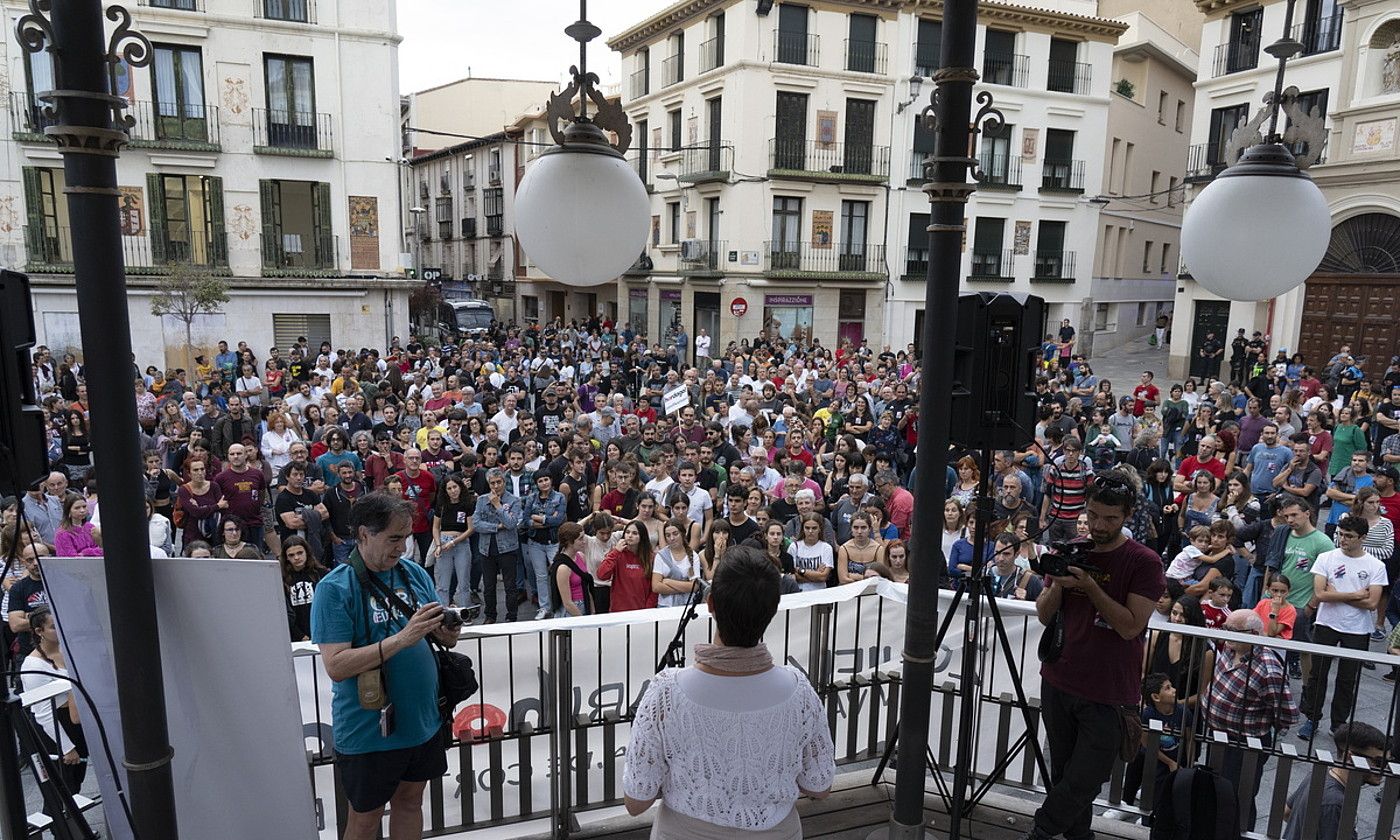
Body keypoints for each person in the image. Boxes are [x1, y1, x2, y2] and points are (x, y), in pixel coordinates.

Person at [622, 546, 835, 836]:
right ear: (773, 609)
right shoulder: (798, 691)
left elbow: (637, 800)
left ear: (710, 604)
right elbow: (819, 786)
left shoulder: (666, 692)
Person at [310, 492, 459, 840]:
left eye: (406, 537)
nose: (402, 547)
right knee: (365, 818)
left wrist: (449, 630)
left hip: (422, 721)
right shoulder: (335, 588)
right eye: (394, 538)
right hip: (369, 731)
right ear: (363, 534)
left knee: (410, 803)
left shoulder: (414, 573)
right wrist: (403, 639)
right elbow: (336, 665)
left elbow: (443, 639)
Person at [1028, 471, 1165, 840]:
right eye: (1093, 515)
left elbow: (1131, 626)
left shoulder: (1144, 561)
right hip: (1060, 679)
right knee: (1066, 778)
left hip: (1108, 692)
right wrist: (1059, 582)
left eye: (1110, 518)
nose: (1099, 525)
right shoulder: (1071, 549)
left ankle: (1039, 833)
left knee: (1081, 781)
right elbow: (1044, 614)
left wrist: (1089, 586)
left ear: (1128, 515)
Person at [1202, 609, 1297, 834]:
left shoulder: (1268, 667)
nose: (1226, 634)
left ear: (1253, 634)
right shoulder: (1231, 647)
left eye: (1232, 630)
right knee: (1215, 790)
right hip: (1219, 736)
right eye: (1225, 628)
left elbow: (1288, 714)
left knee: (1238, 797)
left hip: (1245, 744)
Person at [1298, 514, 1386, 740]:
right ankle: (1312, 718)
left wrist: (1335, 594)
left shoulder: (1375, 565)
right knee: (1318, 674)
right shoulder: (1327, 557)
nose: (1343, 540)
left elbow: (1372, 603)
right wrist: (1355, 594)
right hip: (1327, 623)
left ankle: (1339, 724)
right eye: (1340, 534)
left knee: (1347, 679)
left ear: (1362, 538)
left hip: (1357, 629)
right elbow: (1320, 594)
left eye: (1349, 536)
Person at [19, 606, 89, 820]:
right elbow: (42, 713)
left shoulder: (67, 650)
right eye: (53, 626)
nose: (59, 629)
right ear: (39, 631)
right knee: (60, 790)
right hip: (55, 730)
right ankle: (62, 831)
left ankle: (73, 828)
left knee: (75, 783)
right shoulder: (32, 665)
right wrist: (66, 748)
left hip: (76, 721)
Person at [1282, 721, 1388, 840]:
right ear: (1349, 757)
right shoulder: (1335, 803)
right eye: (1379, 762)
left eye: (1387, 762)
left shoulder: (1318, 776)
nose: (1385, 769)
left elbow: (1287, 813)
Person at [473, 468, 523, 624]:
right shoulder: (481, 500)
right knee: (489, 586)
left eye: (498, 482)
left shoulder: (514, 500)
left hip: (507, 548)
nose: (496, 486)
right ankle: (490, 615)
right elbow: (476, 524)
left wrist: (498, 506)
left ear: (504, 482)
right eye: (492, 483)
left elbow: (511, 523)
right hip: (486, 549)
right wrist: (496, 527)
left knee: (510, 585)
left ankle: (511, 616)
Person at [597, 521, 659, 612]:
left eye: (635, 533)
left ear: (642, 536)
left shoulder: (651, 557)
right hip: (618, 611)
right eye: (627, 532)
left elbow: (654, 589)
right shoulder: (617, 554)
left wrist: (648, 609)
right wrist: (615, 552)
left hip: (642, 611)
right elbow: (601, 575)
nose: (630, 536)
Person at [282, 535, 327, 642]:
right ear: (286, 557)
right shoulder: (281, 578)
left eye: (300, 553)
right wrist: (300, 635)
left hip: (322, 632)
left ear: (307, 552)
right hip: (296, 636)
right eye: (291, 555)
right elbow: (284, 613)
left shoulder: (322, 574)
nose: (296, 558)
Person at [549, 522, 595, 618]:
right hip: (571, 611)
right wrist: (581, 619)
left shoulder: (581, 556)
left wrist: (592, 610)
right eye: (580, 539)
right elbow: (567, 603)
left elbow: (586, 586)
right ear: (570, 542)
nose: (584, 541)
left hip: (585, 603)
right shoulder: (563, 568)